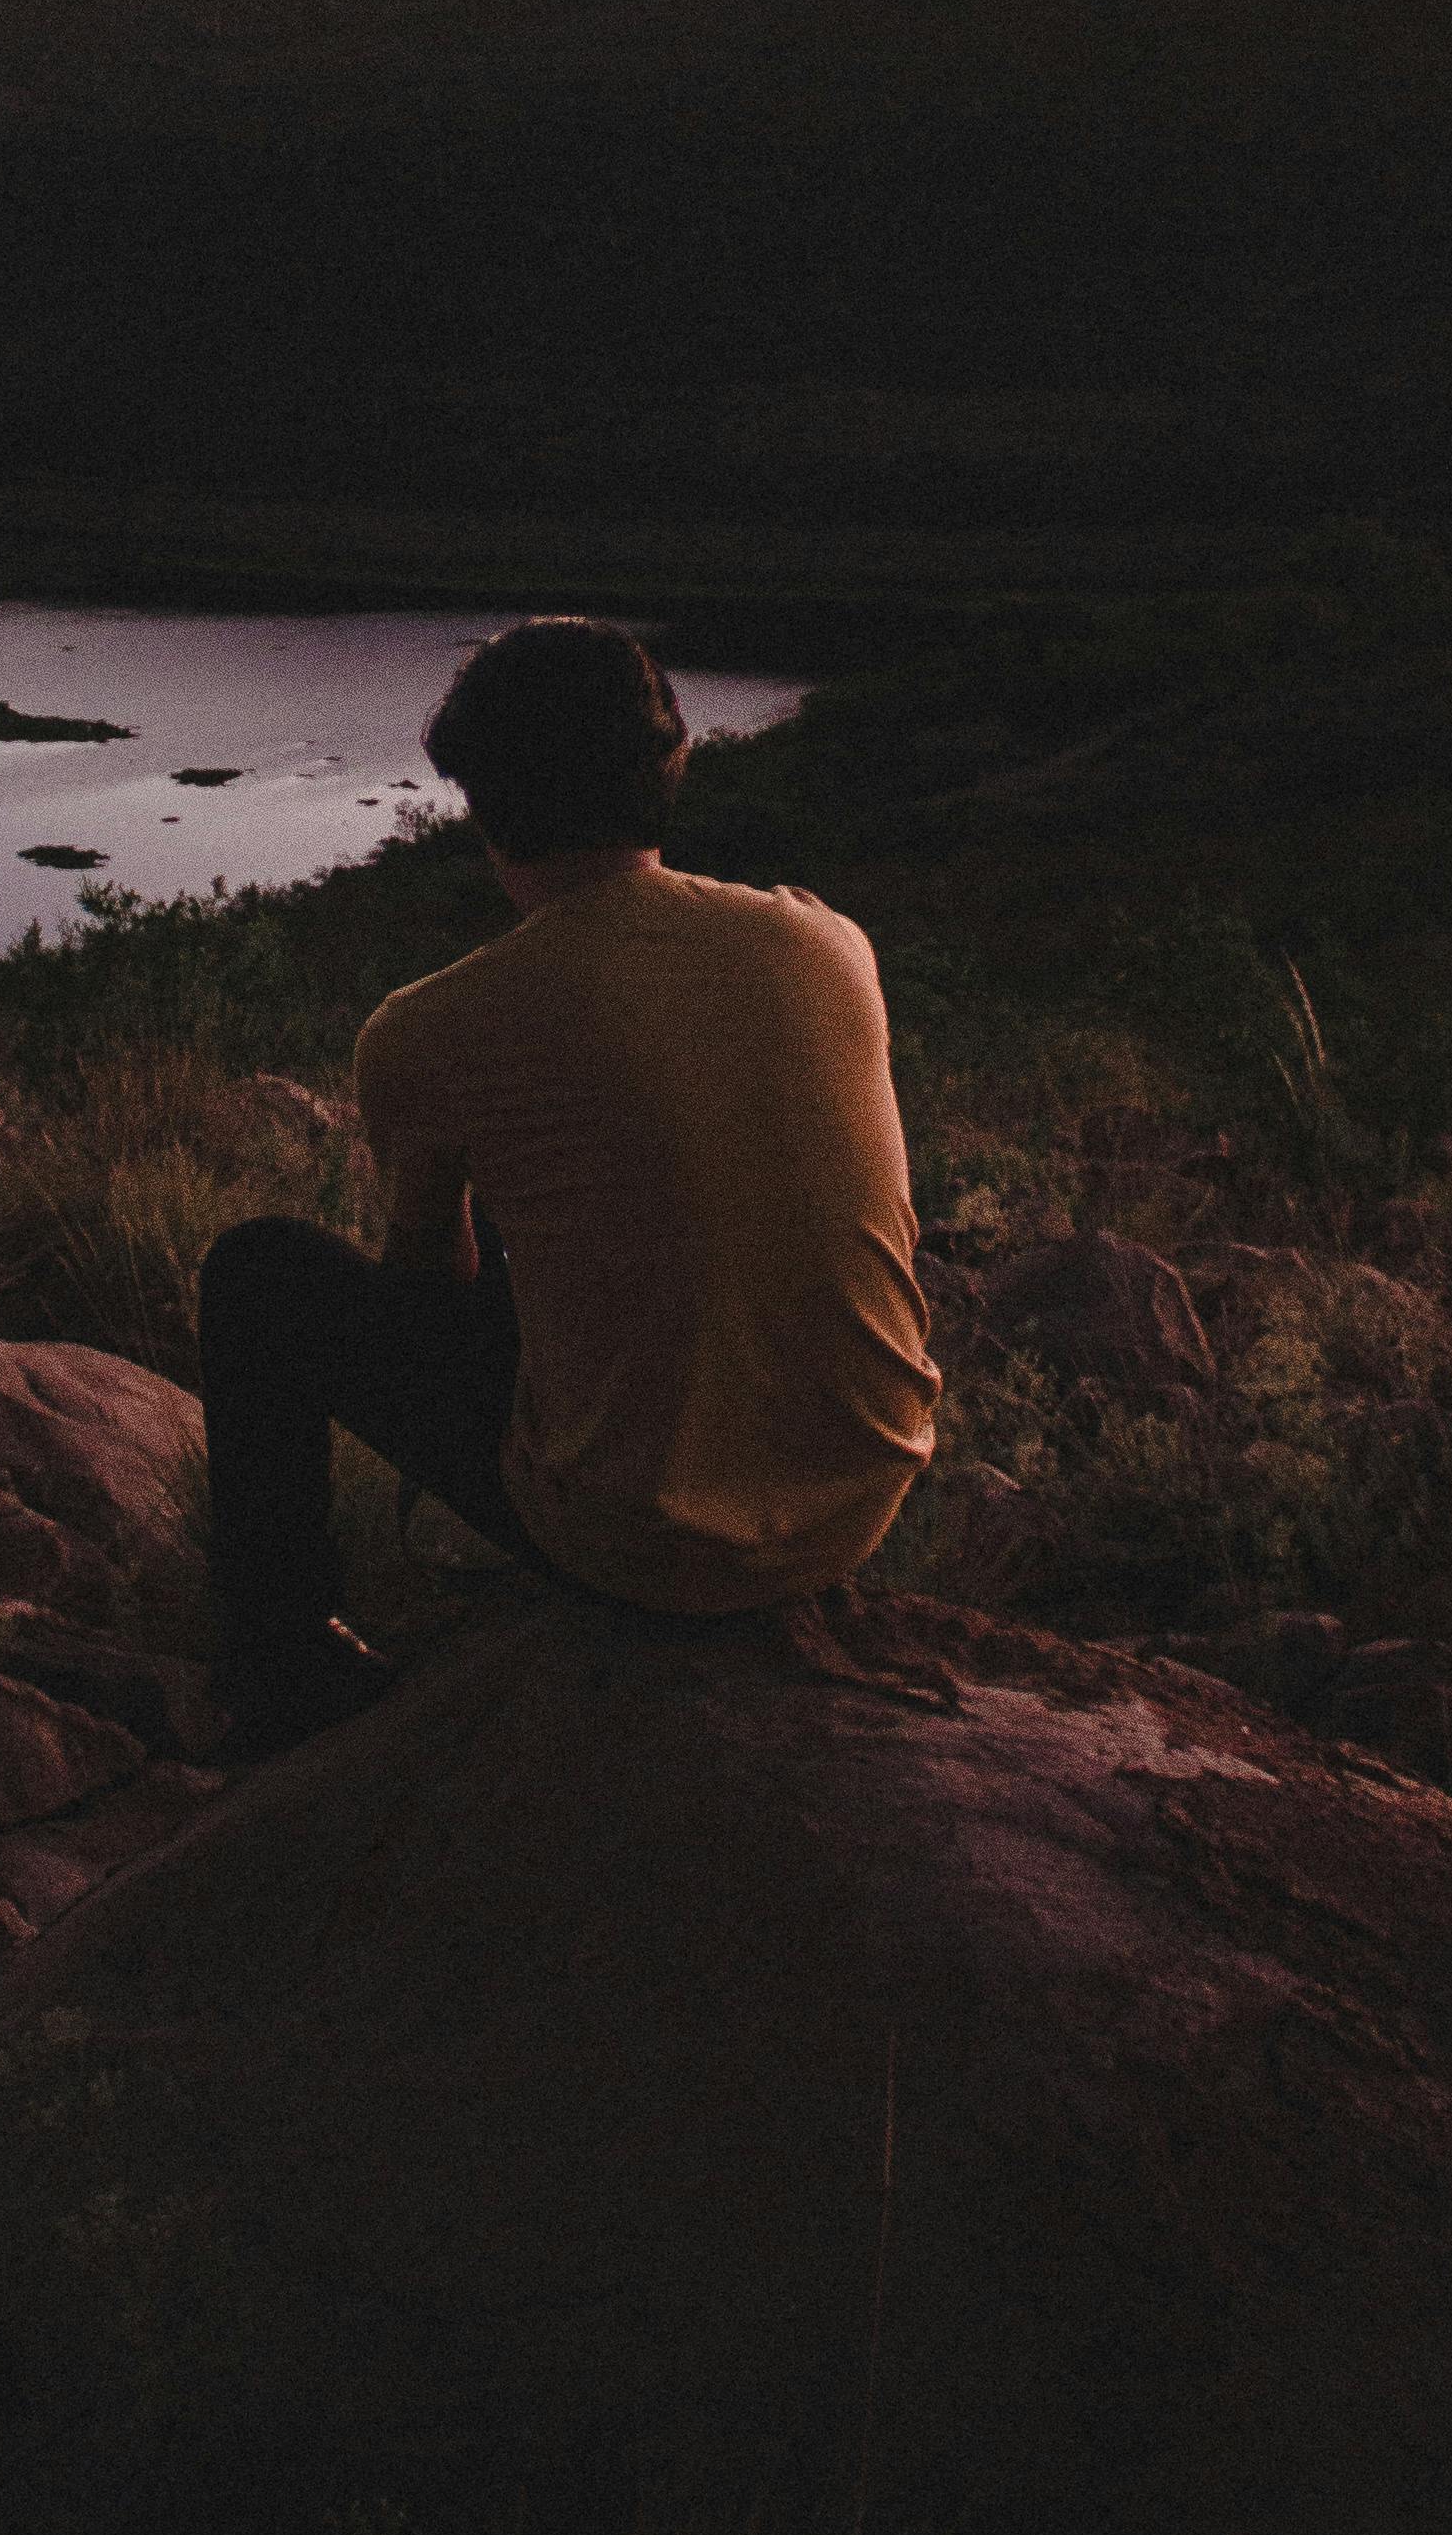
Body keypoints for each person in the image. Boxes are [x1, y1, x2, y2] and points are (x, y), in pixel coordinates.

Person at [194, 615, 941, 1755]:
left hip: (642, 1550)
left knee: (259, 1276)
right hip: (860, 1503)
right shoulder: (826, 941)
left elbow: (423, 1298)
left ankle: (285, 1667)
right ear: (670, 769)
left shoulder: (434, 1025)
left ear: (479, 801)